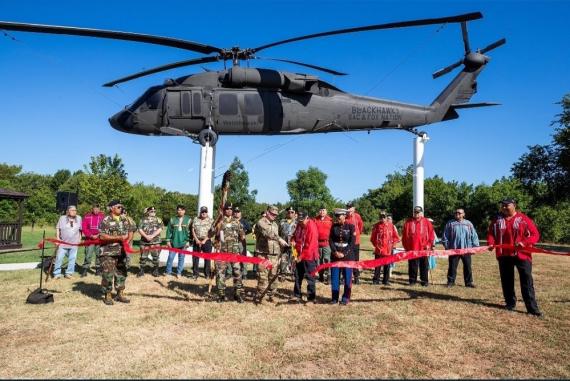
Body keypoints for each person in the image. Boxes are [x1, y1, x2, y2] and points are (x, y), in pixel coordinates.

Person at [487, 198, 542, 317]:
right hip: (503, 254)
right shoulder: (497, 219)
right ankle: (510, 303)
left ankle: (532, 308)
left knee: (526, 281)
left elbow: (535, 235)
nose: (504, 207)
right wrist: (491, 243)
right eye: (503, 205)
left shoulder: (523, 219)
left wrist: (524, 242)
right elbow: (491, 233)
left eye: (507, 205)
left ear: (514, 206)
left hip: (522, 254)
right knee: (506, 280)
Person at [98, 200, 130, 305]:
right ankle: (107, 294)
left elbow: (129, 231)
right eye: (118, 207)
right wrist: (118, 238)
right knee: (108, 274)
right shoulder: (106, 220)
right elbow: (102, 236)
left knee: (121, 273)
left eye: (121, 207)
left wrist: (127, 241)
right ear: (112, 208)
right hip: (108, 252)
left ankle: (120, 293)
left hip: (121, 252)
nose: (121, 209)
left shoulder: (124, 219)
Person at [212, 203, 246, 302]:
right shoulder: (219, 222)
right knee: (220, 273)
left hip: (234, 252)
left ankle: (237, 294)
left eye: (231, 209)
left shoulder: (237, 222)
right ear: (224, 210)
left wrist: (238, 239)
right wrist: (215, 228)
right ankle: (221, 294)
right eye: (227, 209)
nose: (229, 210)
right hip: (222, 251)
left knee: (237, 272)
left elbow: (242, 236)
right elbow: (211, 233)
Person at [254, 205, 288, 303]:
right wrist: (280, 239)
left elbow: (276, 238)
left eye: (276, 215)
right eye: (272, 214)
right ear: (267, 212)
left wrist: (280, 251)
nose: (274, 216)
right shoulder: (261, 222)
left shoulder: (275, 224)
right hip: (263, 254)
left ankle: (271, 295)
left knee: (273, 276)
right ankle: (260, 297)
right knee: (263, 276)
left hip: (274, 254)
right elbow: (268, 233)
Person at [442, 208, 479, 288]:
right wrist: (447, 246)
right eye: (456, 213)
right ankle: (451, 282)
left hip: (466, 249)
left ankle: (468, 282)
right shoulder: (450, 223)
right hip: (454, 249)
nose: (457, 214)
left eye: (459, 213)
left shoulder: (468, 223)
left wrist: (475, 247)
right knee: (452, 266)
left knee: (467, 266)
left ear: (463, 214)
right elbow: (445, 236)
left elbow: (474, 235)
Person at [402, 206, 434, 287]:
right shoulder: (408, 222)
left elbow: (431, 235)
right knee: (412, 266)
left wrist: (429, 245)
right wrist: (406, 248)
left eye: (418, 212)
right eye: (415, 212)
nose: (417, 213)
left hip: (423, 249)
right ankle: (412, 281)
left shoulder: (427, 222)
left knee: (424, 266)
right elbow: (404, 237)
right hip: (412, 248)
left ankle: (424, 281)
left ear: (421, 212)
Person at [291, 211, 319, 303]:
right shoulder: (299, 224)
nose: (300, 222)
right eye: (299, 220)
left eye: (302, 221)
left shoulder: (312, 228)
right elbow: (294, 235)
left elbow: (310, 246)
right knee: (298, 275)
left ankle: (311, 298)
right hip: (299, 254)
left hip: (309, 257)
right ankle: (297, 295)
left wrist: (301, 257)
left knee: (310, 277)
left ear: (307, 218)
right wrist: (293, 240)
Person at [329, 208, 355, 305]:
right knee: (335, 278)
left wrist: (344, 253)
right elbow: (330, 240)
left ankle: (345, 298)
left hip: (347, 256)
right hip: (335, 255)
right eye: (336, 216)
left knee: (347, 278)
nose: (337, 218)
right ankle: (334, 298)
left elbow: (352, 243)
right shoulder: (334, 226)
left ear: (344, 216)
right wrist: (335, 251)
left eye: (339, 216)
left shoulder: (351, 227)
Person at [370, 210, 400, 285]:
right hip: (379, 250)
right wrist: (376, 245)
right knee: (377, 265)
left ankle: (386, 281)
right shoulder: (376, 226)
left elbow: (396, 238)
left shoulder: (391, 226)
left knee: (387, 266)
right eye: (381, 217)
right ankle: (376, 280)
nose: (382, 218)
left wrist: (392, 245)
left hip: (388, 250)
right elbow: (372, 238)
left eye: (384, 217)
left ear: (386, 217)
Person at [53, 205, 82, 279]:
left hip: (74, 243)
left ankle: (69, 273)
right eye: (72, 210)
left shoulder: (79, 218)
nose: (74, 212)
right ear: (68, 211)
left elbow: (80, 230)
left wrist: (79, 239)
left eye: (75, 210)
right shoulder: (62, 218)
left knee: (72, 259)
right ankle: (57, 274)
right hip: (63, 243)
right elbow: (57, 228)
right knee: (59, 258)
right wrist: (58, 238)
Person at [165, 204, 191, 278]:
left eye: (181, 210)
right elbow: (169, 231)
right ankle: (168, 272)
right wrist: (168, 241)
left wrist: (189, 241)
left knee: (181, 258)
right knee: (170, 257)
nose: (180, 211)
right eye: (178, 210)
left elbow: (191, 232)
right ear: (177, 211)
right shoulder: (173, 219)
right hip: (174, 242)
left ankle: (179, 273)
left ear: (184, 211)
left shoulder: (188, 220)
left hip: (184, 243)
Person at [137, 206, 164, 278]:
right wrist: (146, 236)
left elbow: (160, 228)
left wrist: (152, 236)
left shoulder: (158, 220)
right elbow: (139, 229)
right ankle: (141, 270)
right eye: (152, 211)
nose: (154, 212)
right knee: (143, 257)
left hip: (155, 242)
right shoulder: (142, 220)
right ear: (148, 212)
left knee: (155, 257)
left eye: (155, 211)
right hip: (144, 242)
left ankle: (155, 270)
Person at [80, 203, 105, 277]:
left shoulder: (102, 217)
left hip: (99, 239)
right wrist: (91, 235)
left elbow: (104, 227)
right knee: (88, 254)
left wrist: (98, 234)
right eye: (94, 208)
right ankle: (85, 269)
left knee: (99, 254)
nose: (96, 210)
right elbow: (84, 228)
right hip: (89, 239)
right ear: (92, 209)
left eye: (97, 209)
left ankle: (98, 269)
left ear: (99, 209)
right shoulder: (87, 216)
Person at [191, 206, 213, 280]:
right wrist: (196, 240)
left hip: (206, 241)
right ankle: (195, 274)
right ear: (200, 212)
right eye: (202, 212)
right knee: (195, 258)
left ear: (207, 212)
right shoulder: (195, 219)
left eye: (205, 212)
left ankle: (207, 274)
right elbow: (193, 230)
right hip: (196, 240)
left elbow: (212, 232)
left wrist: (204, 240)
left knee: (207, 258)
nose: (204, 213)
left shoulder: (211, 220)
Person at [345, 202, 364, 284]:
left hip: (356, 242)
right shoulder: (344, 217)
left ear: (354, 208)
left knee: (356, 260)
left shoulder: (357, 216)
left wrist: (357, 233)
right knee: (347, 259)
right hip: (347, 242)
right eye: (347, 207)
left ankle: (356, 277)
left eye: (350, 207)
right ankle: (346, 277)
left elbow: (360, 226)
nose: (349, 209)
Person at [314, 205, 333, 285]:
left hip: (326, 243)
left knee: (327, 260)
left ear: (326, 211)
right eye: (321, 210)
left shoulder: (330, 220)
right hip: (317, 243)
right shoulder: (315, 219)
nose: (322, 212)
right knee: (319, 261)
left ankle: (328, 277)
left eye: (324, 210)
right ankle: (321, 276)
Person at [278, 206, 297, 280]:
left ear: (294, 213)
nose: (290, 213)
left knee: (294, 259)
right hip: (284, 244)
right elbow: (278, 233)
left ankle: (293, 274)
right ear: (286, 213)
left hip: (294, 245)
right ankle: (283, 274)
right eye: (289, 212)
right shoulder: (282, 221)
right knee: (283, 259)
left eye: (292, 212)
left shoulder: (297, 222)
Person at [233, 206, 252, 280]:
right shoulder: (231, 221)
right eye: (235, 212)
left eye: (238, 212)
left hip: (241, 242)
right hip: (233, 241)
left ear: (240, 213)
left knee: (243, 257)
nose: (236, 213)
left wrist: (244, 234)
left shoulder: (244, 221)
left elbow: (250, 229)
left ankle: (244, 274)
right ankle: (234, 272)